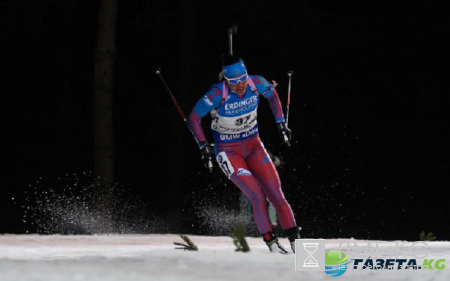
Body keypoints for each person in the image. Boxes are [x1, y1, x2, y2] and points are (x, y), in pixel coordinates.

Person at [189, 54, 301, 253]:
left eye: (242, 79)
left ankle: (298, 244)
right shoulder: (217, 94)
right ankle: (272, 244)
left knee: (276, 193)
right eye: (234, 82)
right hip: (228, 151)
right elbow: (194, 117)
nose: (240, 85)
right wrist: (203, 146)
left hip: (254, 147)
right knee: (257, 195)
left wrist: (280, 123)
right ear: (226, 80)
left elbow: (273, 96)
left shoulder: (257, 83)